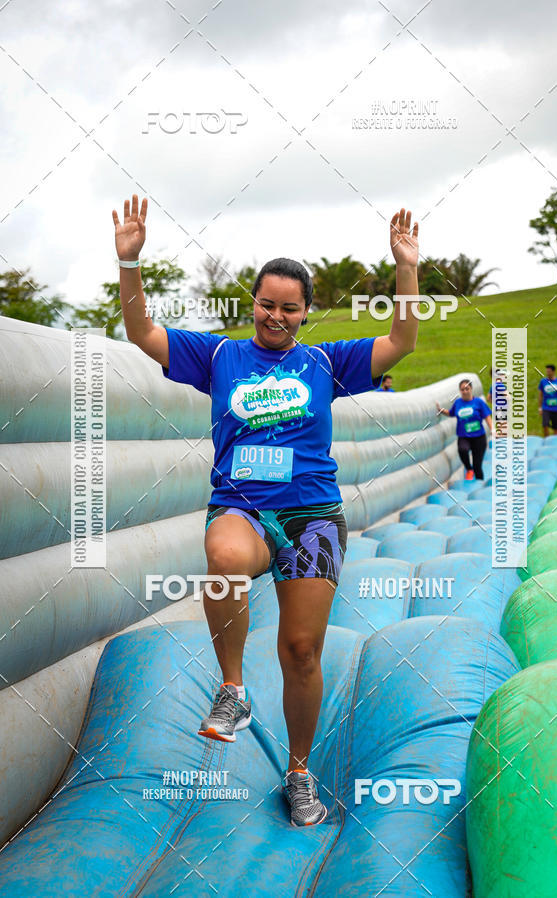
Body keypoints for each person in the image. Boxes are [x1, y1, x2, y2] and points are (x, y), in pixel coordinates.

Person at [112, 195, 420, 826]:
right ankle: (232, 690)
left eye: (289, 307)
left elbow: (402, 340)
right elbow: (143, 332)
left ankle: (300, 773)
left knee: (301, 650)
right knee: (222, 555)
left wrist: (407, 270)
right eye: (266, 303)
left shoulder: (326, 362)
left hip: (312, 517)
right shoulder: (220, 357)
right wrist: (130, 264)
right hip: (242, 508)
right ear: (253, 303)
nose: (275, 316)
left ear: (306, 313)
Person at [436, 381, 493, 480]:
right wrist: (441, 410)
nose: (465, 391)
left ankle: (479, 485)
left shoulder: (478, 402)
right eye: (462, 389)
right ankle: (468, 469)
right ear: (460, 391)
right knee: (462, 450)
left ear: (471, 389)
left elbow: (487, 416)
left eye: (467, 389)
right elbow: (451, 413)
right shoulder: (458, 403)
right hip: (464, 436)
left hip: (479, 437)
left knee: (477, 466)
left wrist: (493, 429)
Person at [538, 364, 557, 437]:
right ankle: (546, 439)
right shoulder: (543, 381)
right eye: (547, 371)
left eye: (549, 371)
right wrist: (540, 408)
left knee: (556, 426)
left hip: (556, 408)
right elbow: (540, 395)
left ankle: (554, 441)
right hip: (546, 407)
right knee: (545, 425)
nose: (547, 373)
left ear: (553, 372)